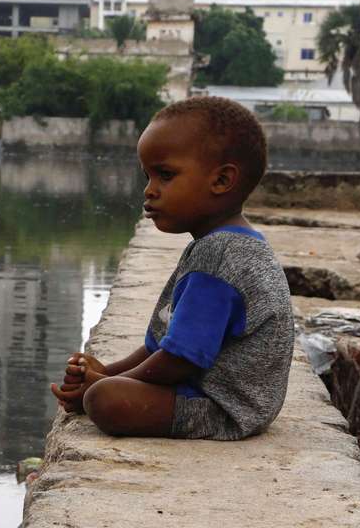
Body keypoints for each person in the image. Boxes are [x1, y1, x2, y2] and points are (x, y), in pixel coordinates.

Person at [50, 97, 294, 440]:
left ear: (222, 180)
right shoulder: (226, 242)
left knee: (104, 400)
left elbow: (180, 361)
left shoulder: (220, 256)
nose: (150, 191)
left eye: (165, 175)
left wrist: (104, 382)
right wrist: (108, 370)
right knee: (103, 389)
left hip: (223, 408)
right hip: (230, 399)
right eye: (148, 176)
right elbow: (164, 344)